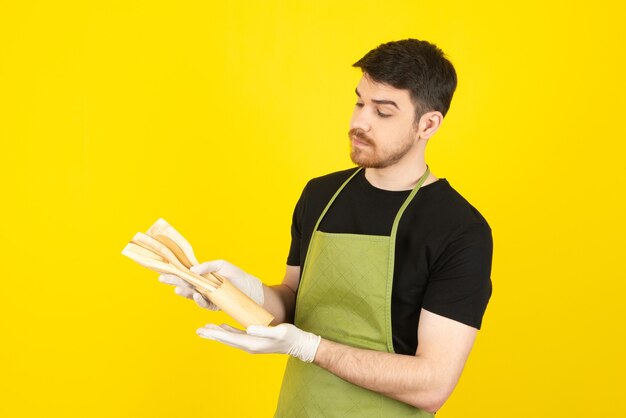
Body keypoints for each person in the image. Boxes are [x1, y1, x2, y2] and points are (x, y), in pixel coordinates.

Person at [159, 38, 493, 417]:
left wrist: (309, 347)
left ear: (428, 124)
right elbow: (292, 305)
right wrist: (234, 289)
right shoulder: (320, 195)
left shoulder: (459, 230)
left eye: (383, 112)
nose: (359, 122)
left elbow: (432, 384)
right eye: (359, 102)